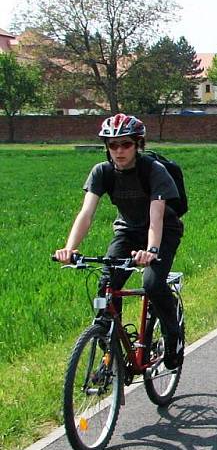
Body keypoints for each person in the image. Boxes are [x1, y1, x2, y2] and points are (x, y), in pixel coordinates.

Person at [54, 114, 185, 369]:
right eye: (113, 145)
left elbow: (156, 217)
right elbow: (86, 213)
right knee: (106, 284)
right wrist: (70, 248)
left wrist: (151, 251)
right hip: (127, 230)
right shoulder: (102, 172)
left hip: (163, 231)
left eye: (125, 144)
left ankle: (172, 336)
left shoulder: (153, 170)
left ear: (138, 144)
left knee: (152, 283)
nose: (119, 151)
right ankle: (110, 346)